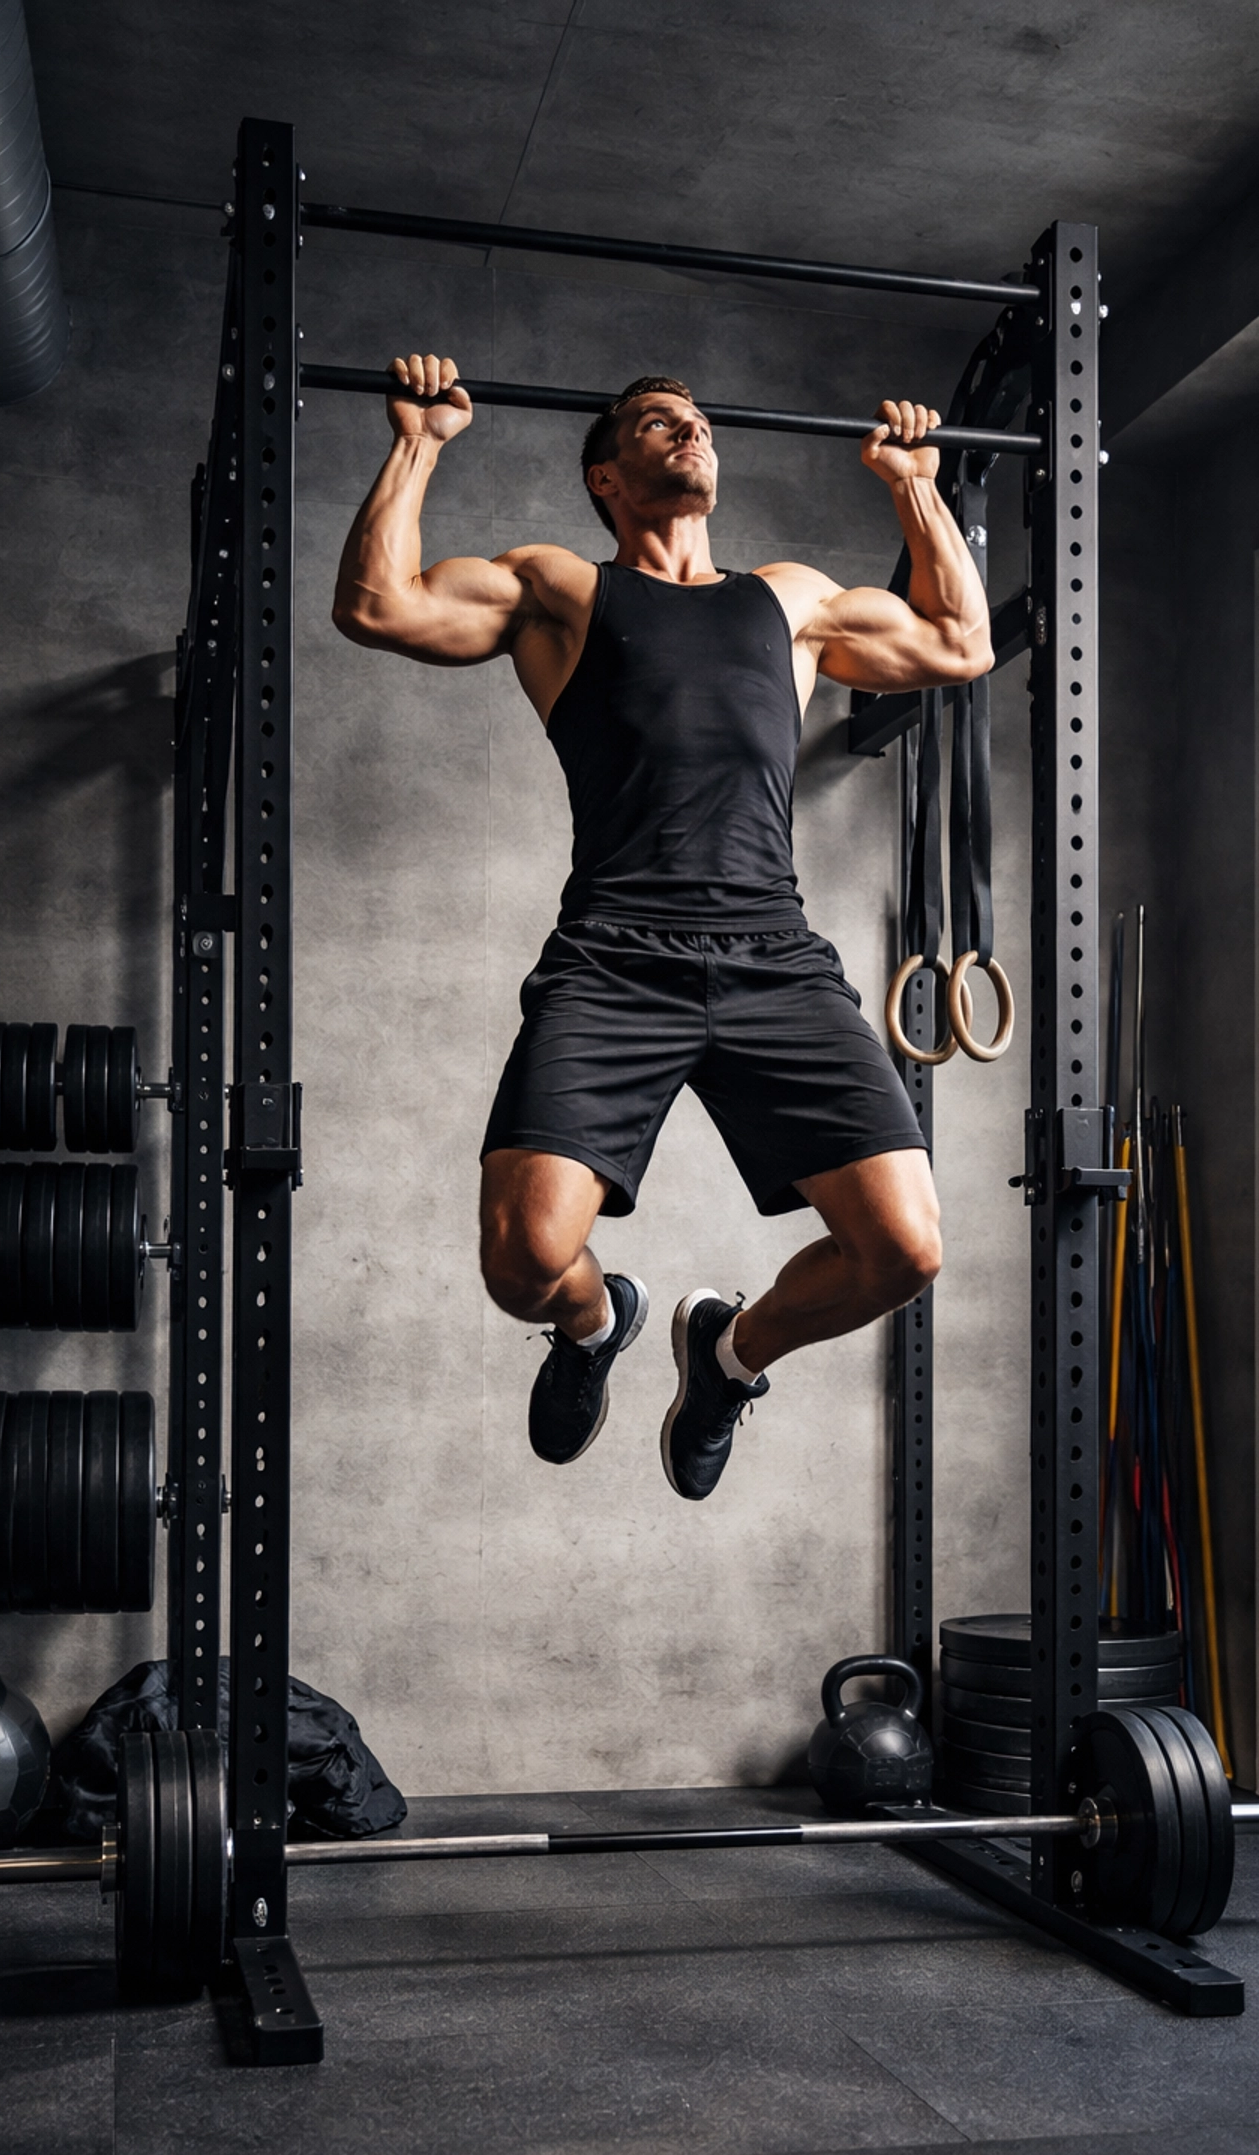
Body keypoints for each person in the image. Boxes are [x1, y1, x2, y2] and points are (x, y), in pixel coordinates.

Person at [332, 357, 993, 1500]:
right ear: (608, 476)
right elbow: (378, 604)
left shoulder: (788, 600)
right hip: (614, 960)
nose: (688, 428)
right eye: (656, 422)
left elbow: (957, 642)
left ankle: (729, 1359)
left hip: (773, 961)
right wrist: (421, 441)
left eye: (695, 420)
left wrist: (913, 486)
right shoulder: (562, 592)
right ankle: (596, 1325)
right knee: (525, 1260)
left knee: (905, 1251)